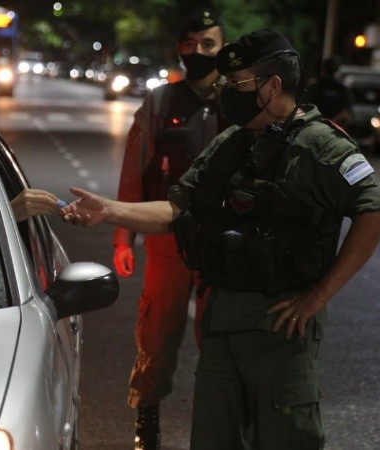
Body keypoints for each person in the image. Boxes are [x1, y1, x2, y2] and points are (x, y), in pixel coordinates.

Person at [61, 29, 380, 449]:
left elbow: (377, 214)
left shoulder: (320, 146)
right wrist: (110, 211)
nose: (227, 93)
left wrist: (316, 298)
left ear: (272, 86)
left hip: (280, 330)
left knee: (285, 440)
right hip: (221, 323)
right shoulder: (231, 143)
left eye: (237, 83)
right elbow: (177, 210)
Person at [113, 7, 230, 450]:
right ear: (179, 48)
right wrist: (123, 238)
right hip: (166, 236)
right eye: (190, 44)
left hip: (221, 241)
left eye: (208, 44)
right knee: (157, 334)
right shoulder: (161, 102)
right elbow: (135, 172)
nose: (198, 51)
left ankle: (217, 427)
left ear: (223, 48)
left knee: (218, 339)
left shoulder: (239, 101)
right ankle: (147, 418)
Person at [307, 55, 352, 127]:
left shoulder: (341, 88)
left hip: (326, 124)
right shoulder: (317, 86)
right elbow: (347, 110)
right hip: (321, 124)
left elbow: (346, 110)